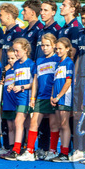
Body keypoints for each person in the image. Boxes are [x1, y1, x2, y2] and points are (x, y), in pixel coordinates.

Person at [22, 33, 60, 161]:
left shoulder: (57, 59)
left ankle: (53, 151)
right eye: (42, 45)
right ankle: (30, 151)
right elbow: (35, 81)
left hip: (53, 97)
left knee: (53, 125)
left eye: (47, 45)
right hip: (41, 96)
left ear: (54, 46)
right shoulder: (38, 60)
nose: (44, 48)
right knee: (34, 123)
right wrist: (32, 98)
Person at [50, 37, 75, 161]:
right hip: (57, 98)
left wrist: (59, 96)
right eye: (56, 49)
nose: (58, 51)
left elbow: (68, 82)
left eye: (60, 49)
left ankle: (64, 152)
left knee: (64, 125)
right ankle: (62, 151)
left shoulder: (69, 62)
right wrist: (52, 96)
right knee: (60, 124)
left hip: (65, 97)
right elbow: (56, 82)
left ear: (67, 49)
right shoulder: (59, 63)